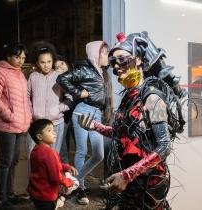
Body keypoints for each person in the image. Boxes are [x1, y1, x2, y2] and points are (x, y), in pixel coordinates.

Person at [77, 32, 185, 209]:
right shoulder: (129, 97)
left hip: (149, 183)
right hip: (129, 181)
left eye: (122, 59)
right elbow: (124, 134)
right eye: (112, 62)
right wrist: (95, 126)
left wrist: (127, 175)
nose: (117, 67)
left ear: (139, 60)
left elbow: (164, 146)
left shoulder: (151, 98)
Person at [56, 41, 111, 205]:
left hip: (96, 113)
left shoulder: (101, 72)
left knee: (99, 154)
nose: (107, 57)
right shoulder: (85, 69)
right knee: (81, 151)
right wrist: (79, 92)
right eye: (105, 53)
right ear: (96, 54)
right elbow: (62, 78)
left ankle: (76, 180)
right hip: (83, 110)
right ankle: (81, 190)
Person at [0, 42, 32, 210]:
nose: (21, 60)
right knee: (5, 161)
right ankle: (1, 198)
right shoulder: (0, 71)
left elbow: (25, 100)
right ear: (8, 56)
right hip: (5, 126)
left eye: (23, 58)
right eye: (17, 57)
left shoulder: (20, 74)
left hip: (20, 126)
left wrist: (26, 118)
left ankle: (10, 193)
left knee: (13, 162)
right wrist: (9, 116)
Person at [27, 41, 71, 155]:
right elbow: (26, 96)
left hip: (56, 124)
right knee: (33, 159)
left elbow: (70, 97)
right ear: (37, 62)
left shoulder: (60, 77)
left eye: (49, 61)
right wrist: (30, 112)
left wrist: (59, 109)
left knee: (53, 158)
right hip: (36, 125)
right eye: (42, 62)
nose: (46, 65)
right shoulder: (33, 76)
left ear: (53, 61)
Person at [27, 119, 78, 210]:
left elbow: (51, 166)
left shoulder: (36, 150)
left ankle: (58, 201)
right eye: (49, 130)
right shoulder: (49, 152)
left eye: (53, 130)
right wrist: (69, 183)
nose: (54, 133)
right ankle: (57, 202)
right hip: (46, 195)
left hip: (36, 191)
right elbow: (56, 177)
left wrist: (66, 167)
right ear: (39, 136)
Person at [54, 54, 74, 163]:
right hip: (63, 119)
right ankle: (65, 172)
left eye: (62, 63)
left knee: (79, 149)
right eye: (56, 67)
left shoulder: (75, 76)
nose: (60, 67)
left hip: (75, 117)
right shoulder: (58, 81)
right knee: (63, 148)